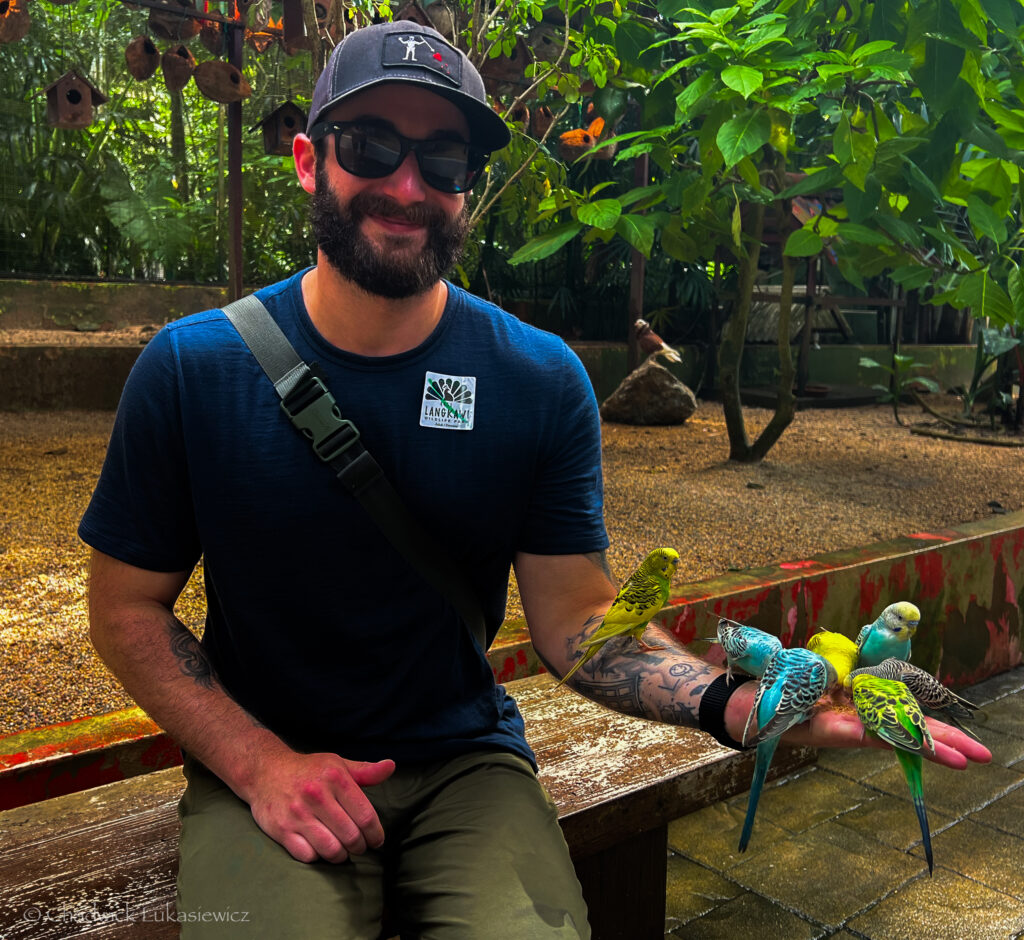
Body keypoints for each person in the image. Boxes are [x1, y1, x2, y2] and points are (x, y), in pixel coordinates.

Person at [79, 19, 990, 939]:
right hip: (264, 761)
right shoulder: (193, 369)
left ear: (469, 187)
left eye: (443, 159)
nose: (407, 185)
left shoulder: (536, 377)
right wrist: (255, 762)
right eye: (372, 146)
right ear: (312, 161)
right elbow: (124, 610)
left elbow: (578, 617)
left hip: (464, 762)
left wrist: (739, 701)